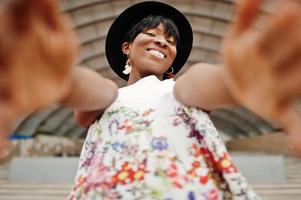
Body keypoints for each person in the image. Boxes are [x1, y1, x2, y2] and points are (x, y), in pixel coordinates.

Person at [68, 1, 260, 199]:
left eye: (171, 41)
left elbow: (206, 82)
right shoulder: (108, 96)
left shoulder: (181, 90)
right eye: (151, 34)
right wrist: (62, 79)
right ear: (127, 47)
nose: (162, 42)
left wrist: (245, 75)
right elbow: (87, 96)